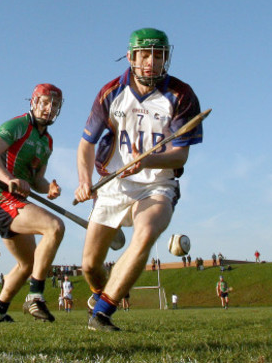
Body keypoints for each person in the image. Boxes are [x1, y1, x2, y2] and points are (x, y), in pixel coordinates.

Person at [74, 28, 204, 332]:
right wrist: (84, 180)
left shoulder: (181, 95)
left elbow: (179, 156)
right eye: (145, 54)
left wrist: (146, 161)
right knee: (90, 266)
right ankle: (100, 294)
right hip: (114, 185)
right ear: (131, 57)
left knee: (145, 234)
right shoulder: (111, 92)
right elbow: (86, 145)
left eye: (159, 55)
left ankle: (103, 313)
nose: (151, 62)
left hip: (158, 184)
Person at [0, 83, 66, 323]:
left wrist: (49, 188)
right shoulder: (17, 125)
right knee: (54, 227)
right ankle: (35, 296)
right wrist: (9, 179)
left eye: (55, 105)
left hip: (17, 200)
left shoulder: (47, 142)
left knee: (27, 264)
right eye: (46, 102)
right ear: (34, 102)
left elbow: (36, 180)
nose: (50, 109)